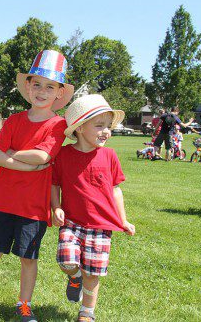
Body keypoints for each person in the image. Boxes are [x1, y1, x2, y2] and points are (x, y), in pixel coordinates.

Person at [0, 50, 74, 321]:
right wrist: (27, 164)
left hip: (33, 206)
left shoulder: (58, 124)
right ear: (27, 86)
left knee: (28, 258)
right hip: (3, 200)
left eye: (49, 87)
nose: (41, 91)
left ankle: (24, 304)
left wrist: (11, 154)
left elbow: (43, 156)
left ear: (59, 93)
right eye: (36, 84)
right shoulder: (15, 120)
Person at [51, 94, 135, 322]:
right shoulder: (64, 155)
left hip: (101, 225)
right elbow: (54, 183)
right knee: (66, 260)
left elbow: (116, 190)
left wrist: (123, 220)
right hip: (72, 222)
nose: (106, 131)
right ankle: (74, 276)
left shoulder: (109, 155)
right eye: (99, 126)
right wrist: (56, 207)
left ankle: (87, 312)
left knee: (94, 273)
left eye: (108, 126)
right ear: (79, 128)